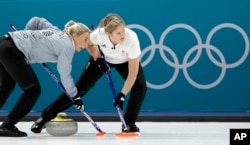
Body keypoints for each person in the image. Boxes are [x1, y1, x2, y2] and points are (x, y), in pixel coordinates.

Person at [31, 13, 147, 133]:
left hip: (125, 61)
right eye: (118, 33)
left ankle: (129, 123)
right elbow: (90, 44)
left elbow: (133, 72)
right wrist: (97, 57)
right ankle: (45, 117)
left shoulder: (131, 38)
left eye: (123, 31)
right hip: (102, 59)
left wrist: (122, 95)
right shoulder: (98, 35)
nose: (123, 35)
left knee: (140, 87)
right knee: (80, 88)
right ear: (108, 33)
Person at [0, 16, 91, 137]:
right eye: (85, 40)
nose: (86, 45)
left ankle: (7, 126)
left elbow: (36, 21)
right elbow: (64, 74)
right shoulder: (68, 46)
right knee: (33, 90)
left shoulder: (56, 30)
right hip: (12, 51)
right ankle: (7, 126)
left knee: (7, 85)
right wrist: (75, 96)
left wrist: (26, 35)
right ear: (74, 35)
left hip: (4, 44)